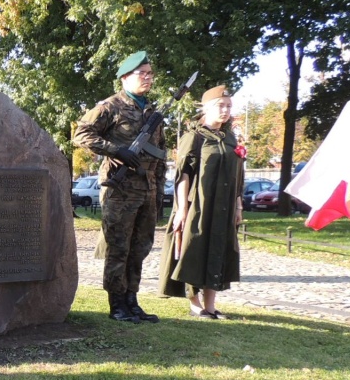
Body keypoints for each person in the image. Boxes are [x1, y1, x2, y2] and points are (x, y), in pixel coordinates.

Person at [73, 50, 167, 324]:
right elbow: (81, 134)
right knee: (118, 248)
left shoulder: (151, 112)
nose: (148, 78)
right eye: (143, 74)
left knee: (140, 247)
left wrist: (158, 192)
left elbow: (160, 154)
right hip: (120, 189)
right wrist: (116, 150)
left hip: (147, 189)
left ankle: (132, 300)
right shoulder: (110, 106)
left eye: (150, 74)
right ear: (126, 77)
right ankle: (117, 305)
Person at [158, 85, 244, 319]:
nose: (225, 110)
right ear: (206, 108)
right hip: (198, 205)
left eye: (228, 106)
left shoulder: (229, 138)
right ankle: (194, 302)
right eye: (220, 106)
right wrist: (182, 210)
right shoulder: (194, 137)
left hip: (224, 207)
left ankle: (211, 304)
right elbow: (182, 175)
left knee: (219, 250)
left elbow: (237, 176)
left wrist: (238, 206)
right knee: (194, 249)